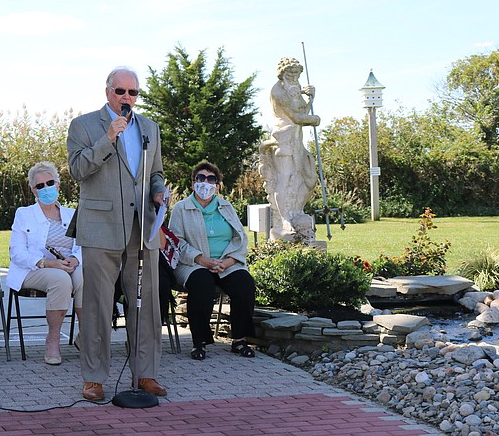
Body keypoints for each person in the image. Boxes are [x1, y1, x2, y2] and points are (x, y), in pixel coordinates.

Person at [67, 66, 167, 401]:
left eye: (133, 92)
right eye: (120, 91)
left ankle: (146, 374)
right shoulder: (83, 125)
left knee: (147, 305)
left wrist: (158, 191)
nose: (127, 98)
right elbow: (78, 170)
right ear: (107, 91)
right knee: (97, 305)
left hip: (142, 228)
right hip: (100, 228)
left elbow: (156, 173)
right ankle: (94, 378)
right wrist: (108, 137)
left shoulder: (149, 127)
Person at [168, 161, 256, 360]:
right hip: (193, 264)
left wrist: (230, 261)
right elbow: (175, 241)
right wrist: (201, 259)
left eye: (211, 179)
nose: (205, 183)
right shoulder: (181, 208)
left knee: (245, 285)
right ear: (193, 183)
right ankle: (200, 342)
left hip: (226, 263)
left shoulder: (226, 207)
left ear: (217, 185)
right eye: (201, 178)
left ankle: (239, 340)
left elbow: (240, 237)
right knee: (202, 285)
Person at [7, 161, 83, 365]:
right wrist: (48, 264)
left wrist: (75, 259)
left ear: (58, 185)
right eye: (40, 186)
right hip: (34, 269)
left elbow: (83, 245)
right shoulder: (24, 214)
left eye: (50, 183)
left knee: (85, 276)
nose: (46, 188)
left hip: (69, 265)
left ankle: (86, 337)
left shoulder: (71, 213)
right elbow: (17, 253)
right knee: (60, 279)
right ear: (33, 190)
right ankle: (53, 340)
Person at [259, 57, 320, 241]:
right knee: (284, 181)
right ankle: (285, 219)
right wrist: (315, 120)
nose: (294, 77)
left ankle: (297, 211)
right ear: (282, 73)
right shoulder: (278, 91)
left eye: (296, 74)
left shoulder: (295, 87)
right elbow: (295, 117)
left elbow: (302, 112)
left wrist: (310, 98)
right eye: (290, 74)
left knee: (310, 178)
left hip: (297, 140)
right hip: (283, 138)